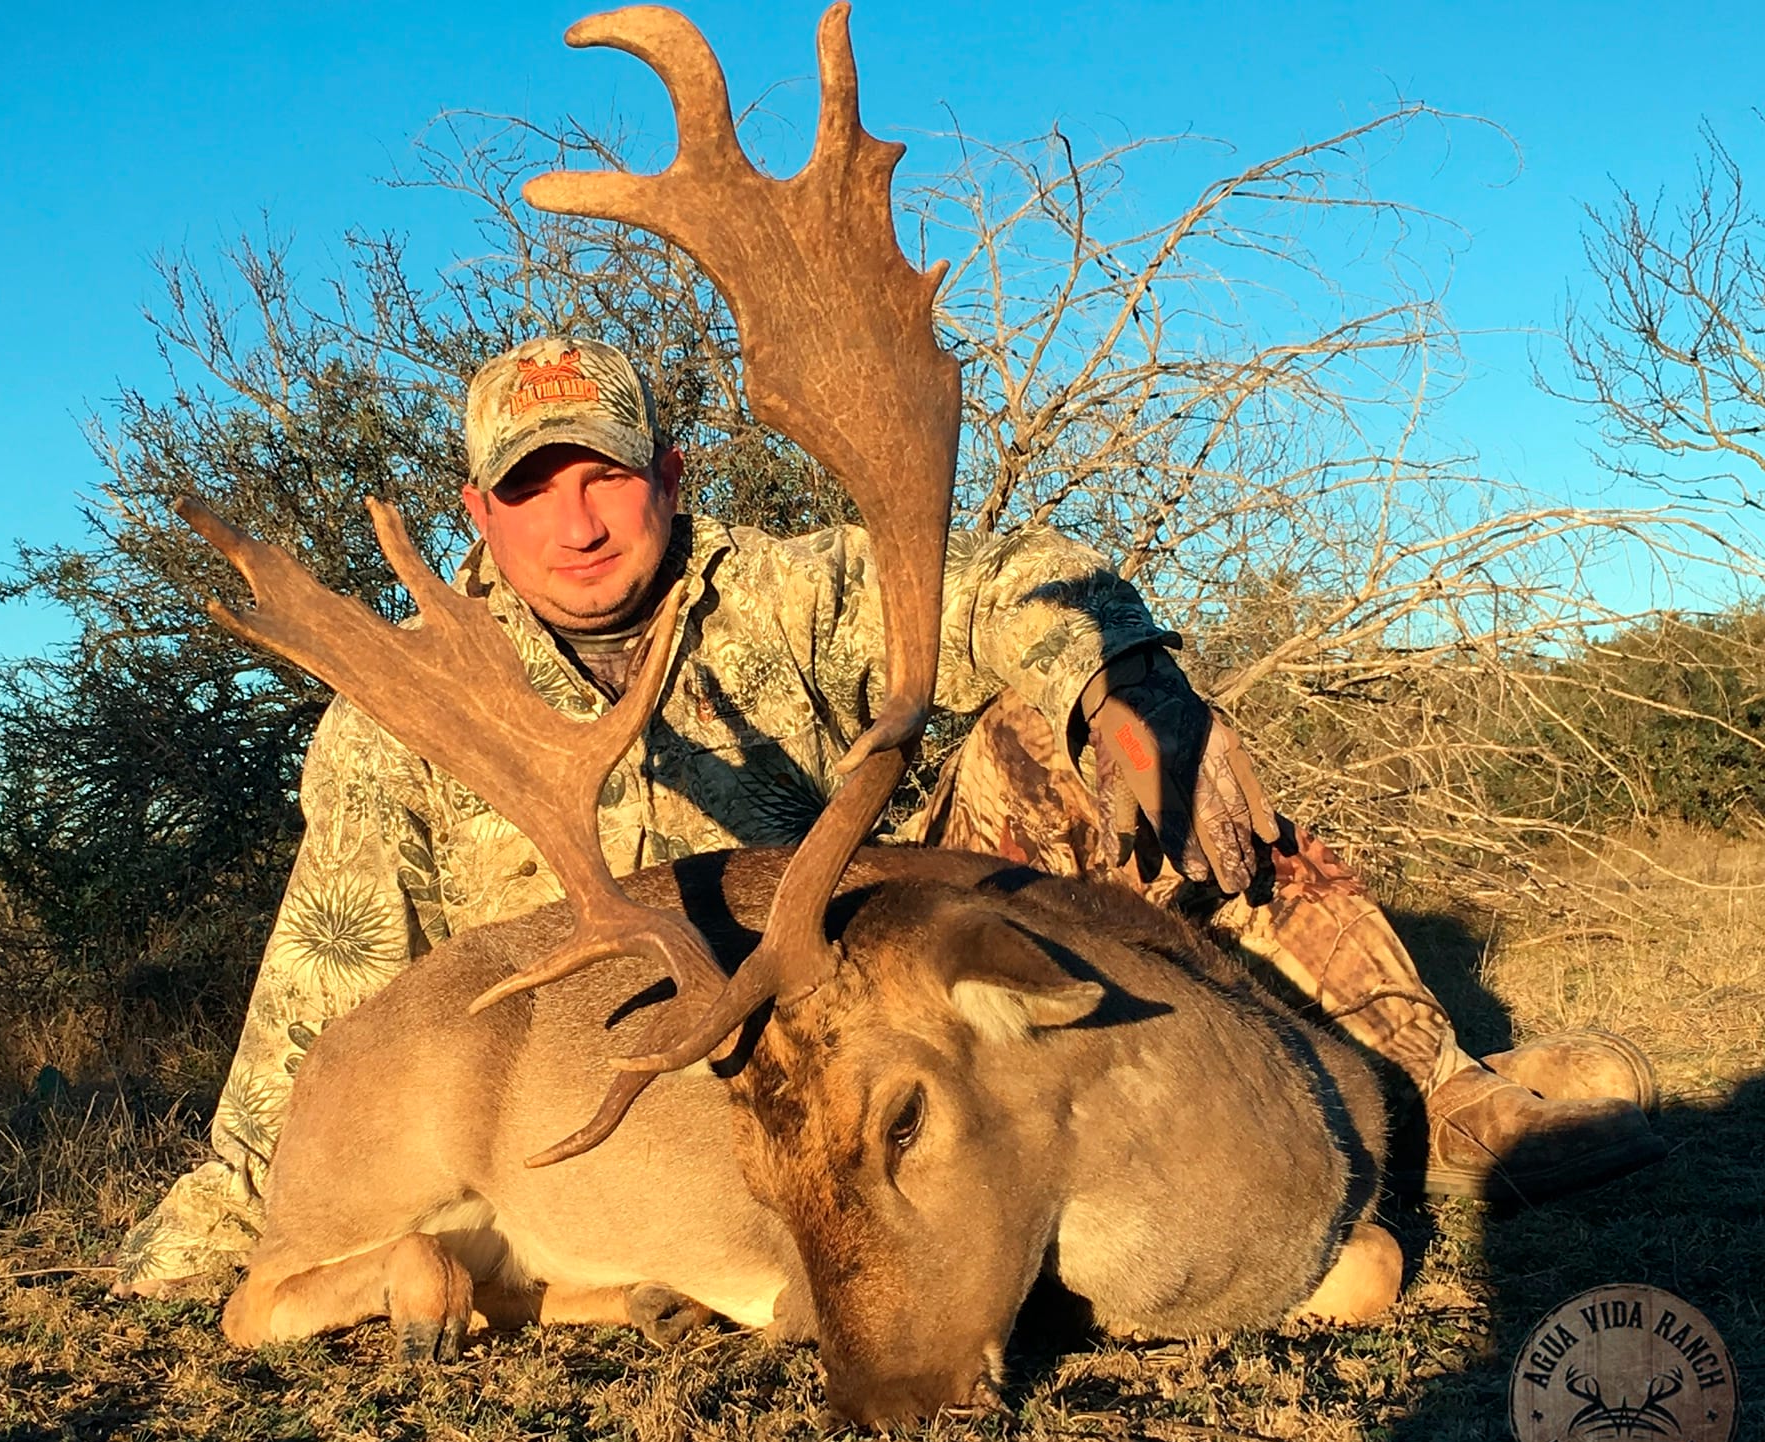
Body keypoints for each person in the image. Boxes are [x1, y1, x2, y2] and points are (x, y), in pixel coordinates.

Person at [113, 336, 1663, 1297]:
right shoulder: (405, 713)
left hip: (865, 1007)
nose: (575, 517)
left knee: (1123, 745)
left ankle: (1438, 1090)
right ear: (477, 515)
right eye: (531, 488)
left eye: (604, 472)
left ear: (670, 471)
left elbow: (1009, 577)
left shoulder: (787, 590)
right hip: (627, 1082)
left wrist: (1126, 675)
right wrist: (237, 1205)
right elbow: (329, 980)